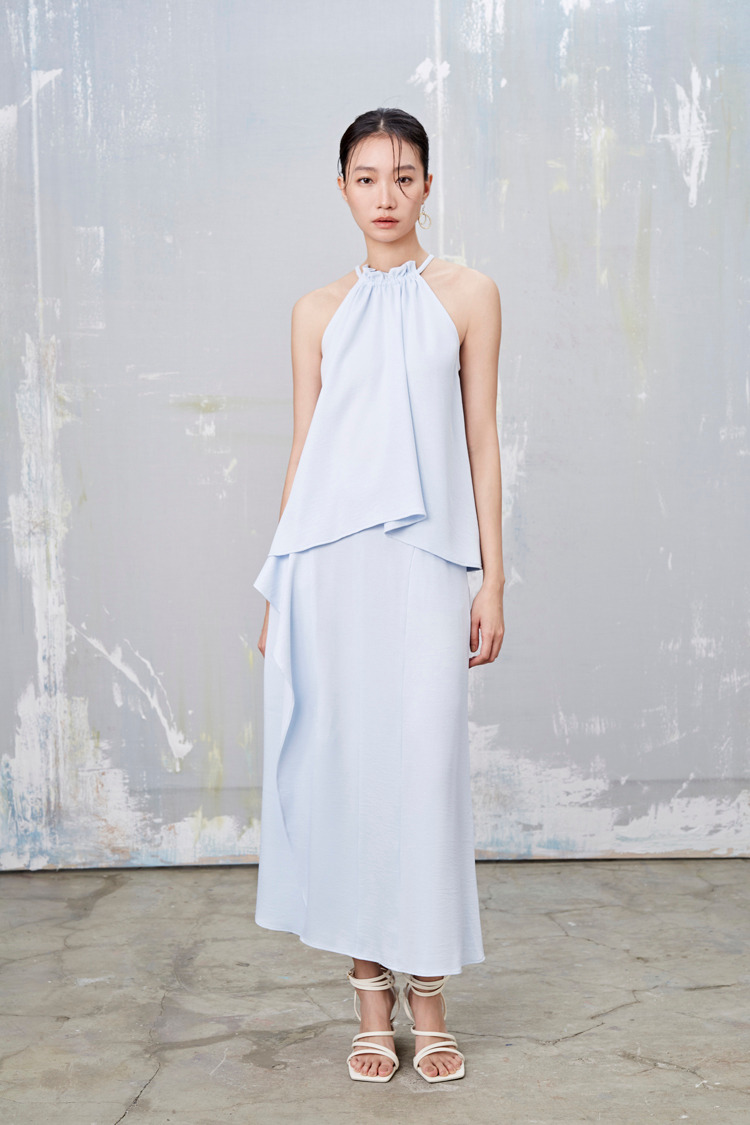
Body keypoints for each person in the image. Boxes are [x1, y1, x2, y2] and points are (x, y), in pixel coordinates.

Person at [253, 107, 504, 1084]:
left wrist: (492, 576)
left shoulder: (470, 294)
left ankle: (429, 998)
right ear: (343, 189)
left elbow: (482, 438)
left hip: (429, 564)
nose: (386, 196)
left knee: (423, 774)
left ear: (428, 186)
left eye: (403, 177)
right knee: (349, 772)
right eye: (367, 178)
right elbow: (304, 448)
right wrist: (277, 587)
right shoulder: (315, 310)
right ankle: (369, 997)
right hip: (329, 570)